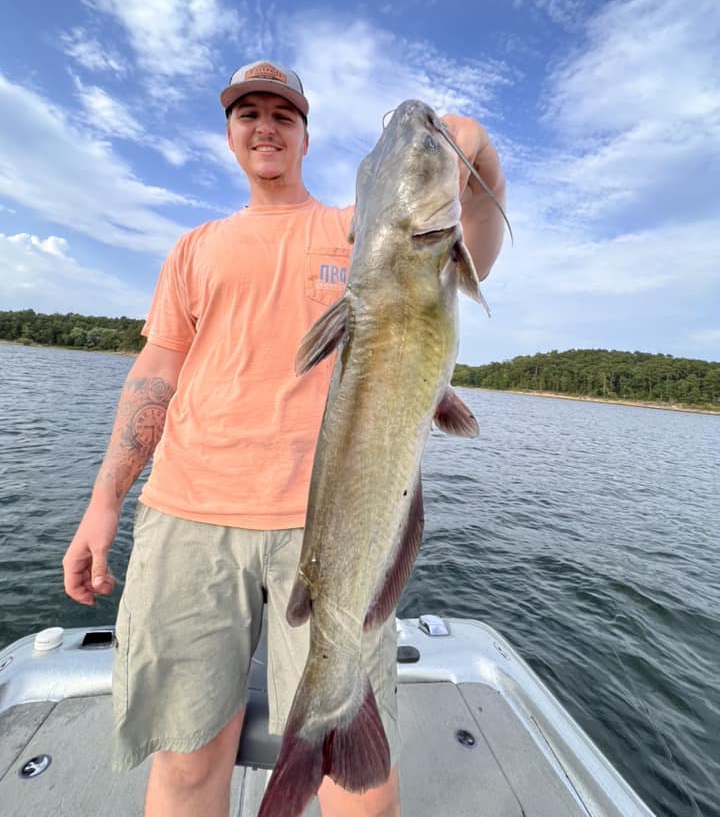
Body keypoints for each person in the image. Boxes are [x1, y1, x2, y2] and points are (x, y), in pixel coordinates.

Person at [62, 60, 507, 817]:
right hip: (187, 516)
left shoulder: (360, 227)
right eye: (249, 114)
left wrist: (481, 159)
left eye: (283, 115)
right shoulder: (195, 247)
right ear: (231, 135)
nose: (265, 126)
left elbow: (478, 249)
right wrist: (104, 503)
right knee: (187, 757)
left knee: (356, 784)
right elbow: (156, 373)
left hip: (333, 525)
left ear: (305, 134)